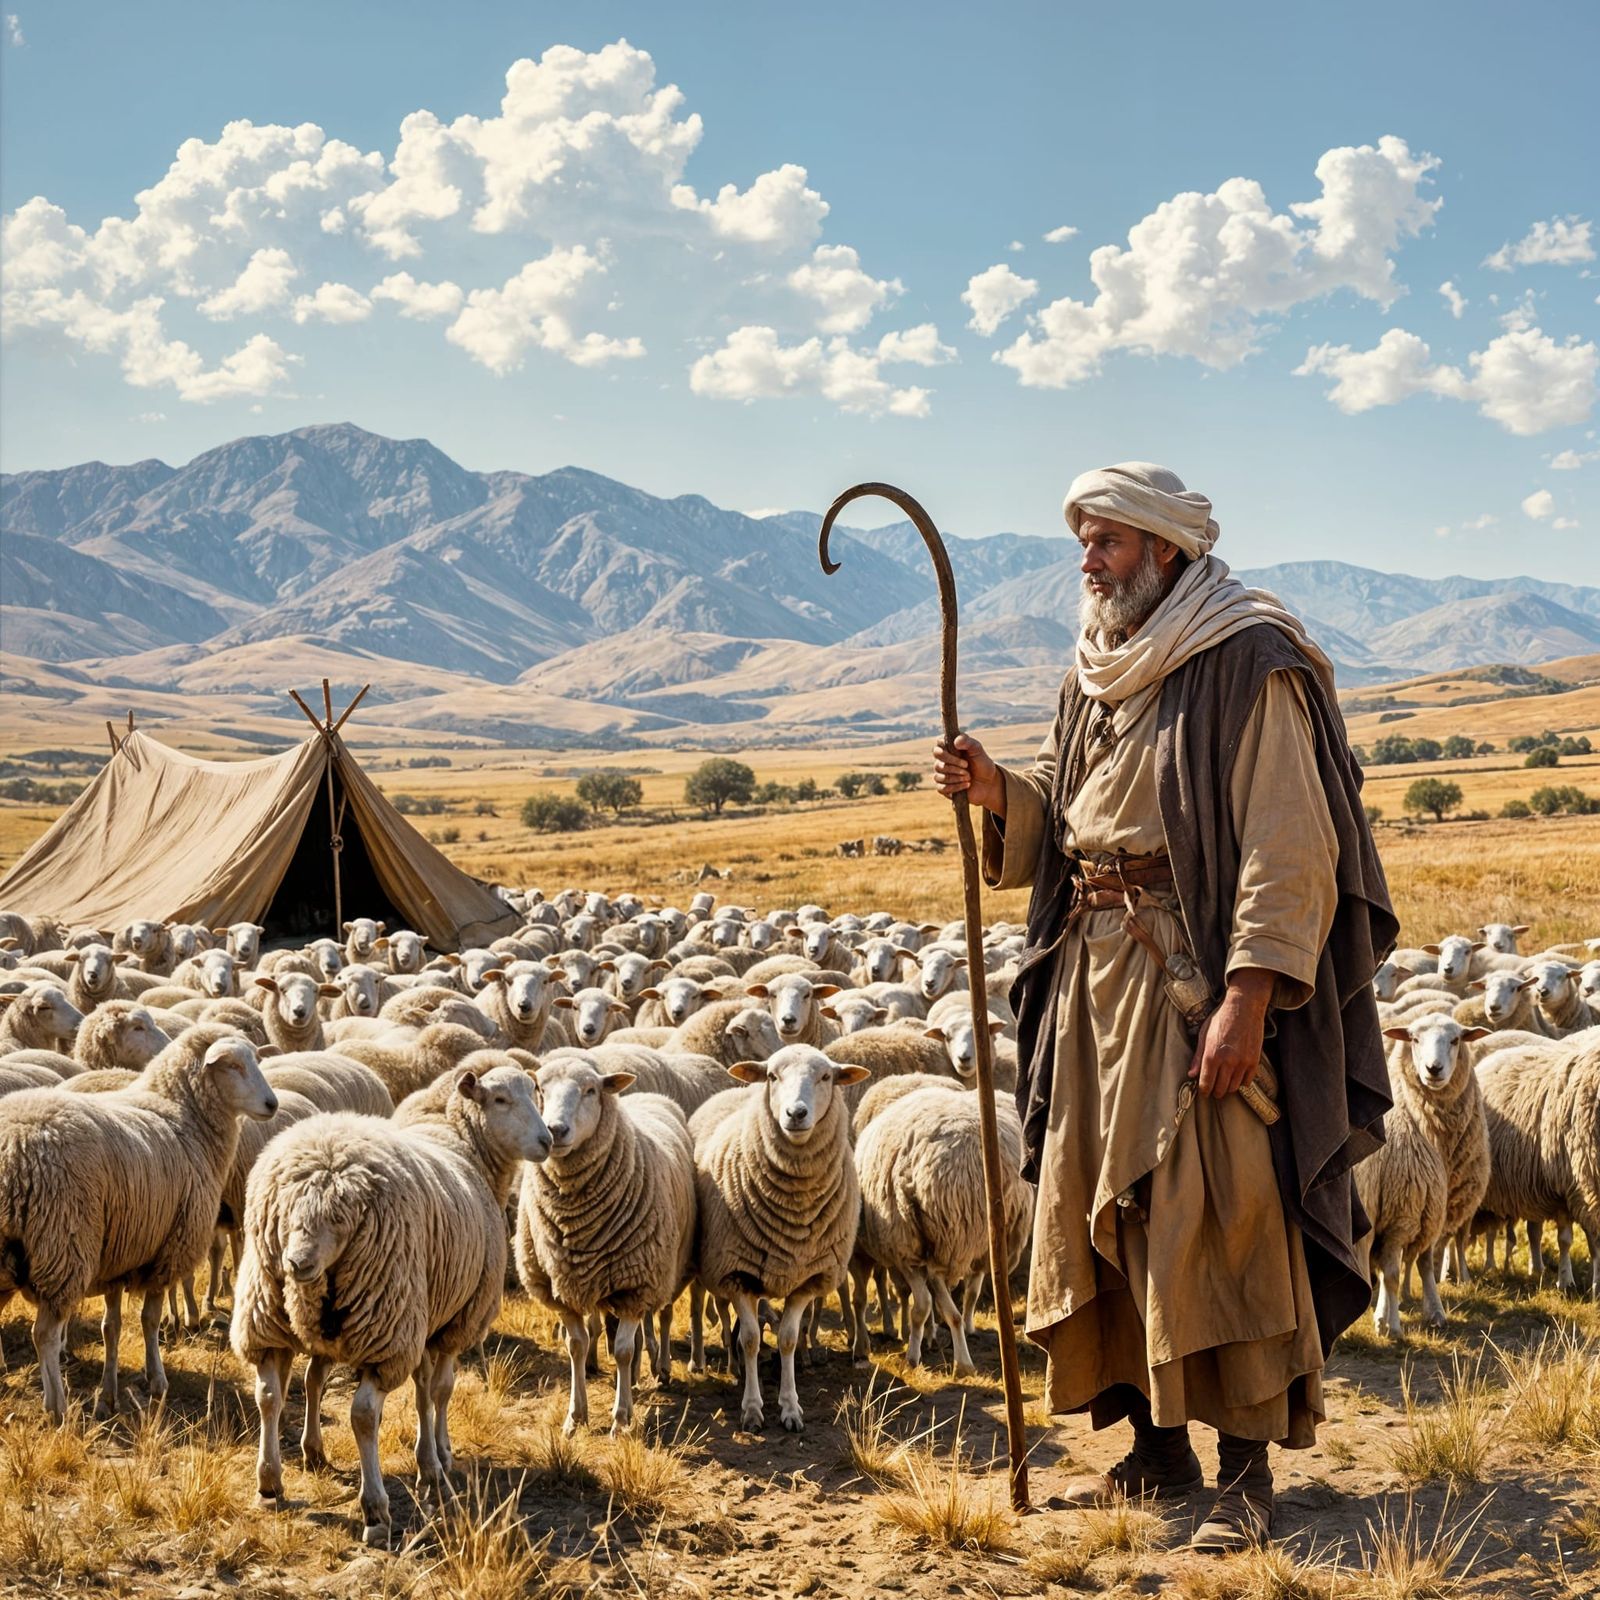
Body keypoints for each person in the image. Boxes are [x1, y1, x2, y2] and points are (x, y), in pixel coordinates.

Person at [933, 462, 1396, 1552]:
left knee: (1222, 1208)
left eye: (1106, 541)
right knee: (1105, 1202)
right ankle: (1156, 1447)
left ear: (1165, 549)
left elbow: (1289, 844)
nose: (1086, 562)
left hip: (1193, 978)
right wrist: (1000, 794)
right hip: (1090, 977)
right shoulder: (1097, 668)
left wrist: (1247, 998)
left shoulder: (1247, 657)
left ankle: (1245, 1473)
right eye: (1082, 542)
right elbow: (1072, 814)